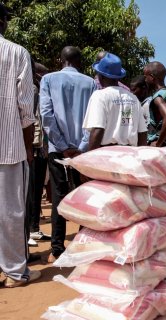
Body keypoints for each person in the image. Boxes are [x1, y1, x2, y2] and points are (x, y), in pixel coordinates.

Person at [40, 46, 96, 263]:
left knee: (59, 196)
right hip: (83, 151)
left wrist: (62, 145)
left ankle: (57, 249)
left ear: (60, 59)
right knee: (83, 196)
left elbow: (46, 115)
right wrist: (80, 145)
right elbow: (93, 119)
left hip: (58, 149)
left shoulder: (48, 80)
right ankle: (83, 246)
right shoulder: (90, 83)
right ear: (79, 61)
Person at [0, 2, 41, 287]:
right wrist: (28, 147)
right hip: (9, 144)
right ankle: (14, 272)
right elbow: (26, 108)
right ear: (2, 22)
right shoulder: (16, 53)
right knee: (11, 212)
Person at [83, 53, 147, 150]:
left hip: (107, 155)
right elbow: (142, 133)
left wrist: (90, 157)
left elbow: (97, 129)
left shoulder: (100, 95)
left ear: (101, 76)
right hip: (130, 155)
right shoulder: (133, 98)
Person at [27, 62, 51, 248]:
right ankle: (29, 228)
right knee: (31, 190)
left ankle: (34, 227)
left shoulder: (39, 90)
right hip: (34, 148)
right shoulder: (34, 90)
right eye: (43, 75)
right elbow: (33, 120)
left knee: (36, 190)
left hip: (40, 147)